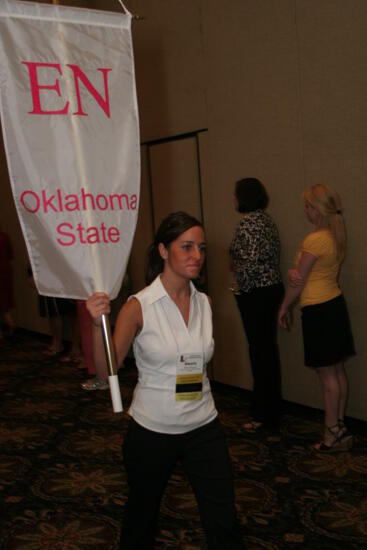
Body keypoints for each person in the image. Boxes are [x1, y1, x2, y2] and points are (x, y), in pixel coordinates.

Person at [87, 211, 245, 549]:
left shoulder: (204, 302)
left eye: (201, 248)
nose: (197, 256)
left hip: (204, 425)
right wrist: (94, 325)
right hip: (152, 431)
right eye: (186, 247)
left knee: (224, 521)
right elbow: (105, 371)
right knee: (141, 520)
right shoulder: (138, 306)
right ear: (163, 251)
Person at [278, 184, 355, 452]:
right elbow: (302, 274)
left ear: (319, 209)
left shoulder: (315, 239)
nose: (306, 210)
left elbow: (299, 284)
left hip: (318, 310)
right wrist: (292, 274)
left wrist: (284, 306)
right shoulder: (334, 235)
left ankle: (330, 432)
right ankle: (339, 425)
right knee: (337, 371)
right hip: (333, 305)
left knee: (327, 378)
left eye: (309, 206)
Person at [229, 178, 284, 432]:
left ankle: (262, 415)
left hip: (257, 294)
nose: (234, 198)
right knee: (268, 353)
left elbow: (248, 263)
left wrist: (240, 287)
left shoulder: (249, 222)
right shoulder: (267, 220)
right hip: (272, 289)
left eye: (236, 194)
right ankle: (271, 411)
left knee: (259, 354)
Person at [0, 227, 15, 339]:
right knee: (4, 301)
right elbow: (10, 256)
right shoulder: (4, 236)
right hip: (6, 271)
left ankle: (9, 325)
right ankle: (10, 323)